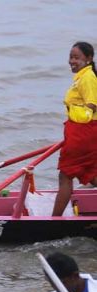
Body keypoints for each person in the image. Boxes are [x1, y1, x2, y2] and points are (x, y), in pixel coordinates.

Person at [52, 42, 97, 216]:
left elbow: (91, 106)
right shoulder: (82, 76)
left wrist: (74, 115)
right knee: (90, 173)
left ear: (89, 59)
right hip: (82, 132)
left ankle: (53, 220)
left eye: (76, 57)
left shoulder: (88, 78)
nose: (72, 61)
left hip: (82, 132)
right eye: (71, 57)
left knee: (65, 175)